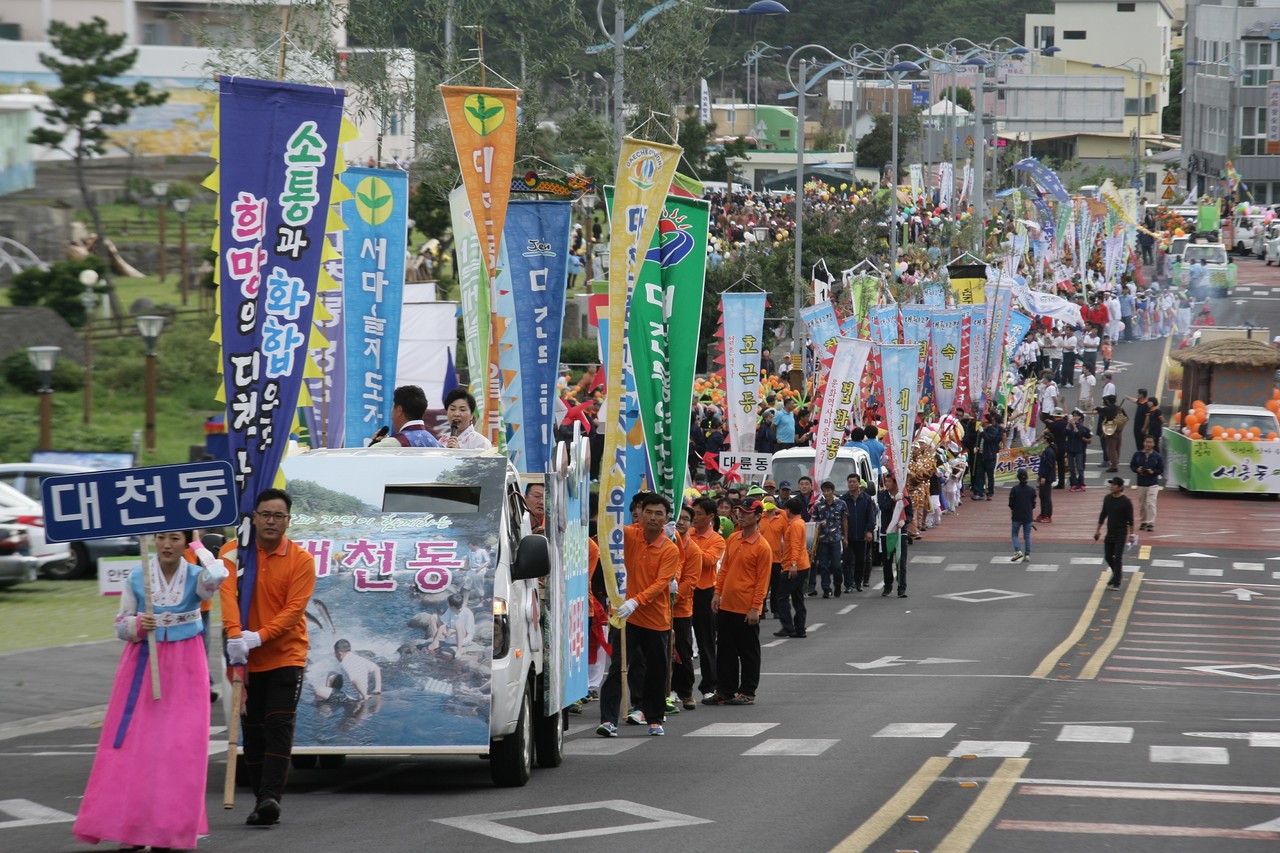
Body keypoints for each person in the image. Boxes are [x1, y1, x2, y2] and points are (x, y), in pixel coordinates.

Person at [74, 531, 227, 852]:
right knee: (136, 746)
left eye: (175, 538)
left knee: (178, 749)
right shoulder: (137, 577)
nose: (167, 544)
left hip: (186, 665)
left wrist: (199, 545)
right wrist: (139, 625)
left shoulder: (198, 576)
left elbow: (219, 574)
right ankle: (130, 829)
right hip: (143, 665)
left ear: (185, 543)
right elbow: (120, 624)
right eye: (161, 537)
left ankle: (167, 830)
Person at [220, 489, 317, 827]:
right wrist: (235, 635)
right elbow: (227, 596)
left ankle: (269, 799)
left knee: (278, 724)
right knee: (253, 729)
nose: (271, 521)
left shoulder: (301, 560)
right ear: (255, 517)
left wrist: (260, 635)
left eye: (279, 515)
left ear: (288, 521)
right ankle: (262, 794)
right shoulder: (234, 553)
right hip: (245, 657)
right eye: (265, 514)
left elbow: (294, 610)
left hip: (286, 654)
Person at [597, 493, 679, 737]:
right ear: (640, 514)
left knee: (656, 671)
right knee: (617, 669)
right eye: (649, 512)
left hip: (655, 620)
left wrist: (636, 601)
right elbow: (605, 532)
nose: (653, 517)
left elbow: (661, 583)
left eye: (659, 514)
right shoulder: (629, 535)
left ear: (665, 519)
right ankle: (608, 720)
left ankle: (654, 718)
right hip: (626, 618)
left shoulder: (670, 549)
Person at [705, 498, 772, 706]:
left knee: (748, 652)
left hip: (746, 608)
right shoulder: (733, 539)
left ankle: (747, 691)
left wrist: (755, 608)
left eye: (746, 512)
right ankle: (725, 690)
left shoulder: (762, 547)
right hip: (727, 604)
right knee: (725, 651)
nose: (741, 515)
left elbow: (763, 581)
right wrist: (717, 593)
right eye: (739, 512)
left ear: (758, 516)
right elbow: (724, 569)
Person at [689, 498, 726, 699]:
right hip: (685, 592)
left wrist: (687, 544)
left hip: (704, 593)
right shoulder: (687, 534)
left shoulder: (717, 540)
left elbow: (708, 560)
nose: (695, 518)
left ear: (711, 517)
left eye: (699, 513)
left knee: (706, 642)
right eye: (693, 513)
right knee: (682, 643)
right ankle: (678, 687)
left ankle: (709, 685)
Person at [670, 505, 703, 711]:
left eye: (686, 519)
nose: (681, 522)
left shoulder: (694, 551)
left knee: (683, 652)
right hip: (657, 609)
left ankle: (686, 692)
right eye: (678, 518)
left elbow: (690, 582)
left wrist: (671, 597)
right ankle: (666, 691)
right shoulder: (666, 543)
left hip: (681, 610)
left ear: (691, 524)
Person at [773, 497, 811, 639]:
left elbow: (795, 546)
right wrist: (779, 510)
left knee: (781, 597)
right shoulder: (799, 521)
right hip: (802, 565)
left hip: (794, 566)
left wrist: (793, 565)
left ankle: (789, 627)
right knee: (797, 597)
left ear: (789, 510)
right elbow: (785, 513)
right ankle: (799, 628)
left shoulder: (795, 525)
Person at [1095, 477, 1135, 589]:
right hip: (1110, 532)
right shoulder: (1107, 498)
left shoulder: (1126, 502)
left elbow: (1130, 520)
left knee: (1117, 557)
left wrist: (1131, 535)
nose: (1111, 487)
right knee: (1108, 556)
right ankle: (1117, 574)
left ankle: (1117, 581)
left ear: (1120, 487)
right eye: (1111, 484)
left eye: (1114, 485)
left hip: (1121, 533)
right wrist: (1098, 530)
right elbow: (1103, 515)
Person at [877, 472, 913, 598]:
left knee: (900, 561)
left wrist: (905, 521)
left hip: (900, 533)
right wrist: (894, 500)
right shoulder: (882, 495)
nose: (886, 484)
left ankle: (902, 588)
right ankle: (887, 586)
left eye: (889, 482)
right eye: (885, 481)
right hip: (887, 533)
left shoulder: (904, 495)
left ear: (895, 483)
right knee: (887, 561)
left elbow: (910, 513)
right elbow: (883, 507)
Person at [841, 473, 877, 592]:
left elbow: (870, 516)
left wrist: (869, 531)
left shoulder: (866, 498)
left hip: (862, 535)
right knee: (847, 560)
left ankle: (858, 582)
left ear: (858, 483)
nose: (851, 484)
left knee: (861, 560)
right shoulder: (843, 499)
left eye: (854, 482)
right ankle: (848, 584)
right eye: (849, 482)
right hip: (848, 535)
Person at [811, 481, 848, 598]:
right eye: (824, 491)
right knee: (823, 566)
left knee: (837, 565)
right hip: (822, 540)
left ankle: (837, 585)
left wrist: (845, 537)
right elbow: (813, 522)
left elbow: (844, 520)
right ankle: (826, 588)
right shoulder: (818, 506)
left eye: (828, 491)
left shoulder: (841, 504)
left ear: (833, 491)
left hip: (836, 538)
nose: (826, 493)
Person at [372, 385, 441, 447]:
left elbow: (366, 459)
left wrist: (376, 443)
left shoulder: (393, 443)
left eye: (393, 408)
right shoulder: (437, 444)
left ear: (399, 410)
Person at [1130, 435, 1164, 531]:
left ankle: (1150, 523)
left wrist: (1153, 472)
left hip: (1153, 482)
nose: (1148, 444)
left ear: (1153, 444)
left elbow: (1161, 469)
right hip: (1141, 482)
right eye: (1146, 442)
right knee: (1142, 504)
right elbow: (1132, 465)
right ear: (1143, 443)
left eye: (1150, 442)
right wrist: (1137, 470)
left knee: (1151, 503)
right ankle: (1143, 521)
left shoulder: (1157, 456)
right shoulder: (1137, 454)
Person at [1008, 469, 1036, 562]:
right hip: (1028, 515)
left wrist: (1013, 509)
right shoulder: (1031, 490)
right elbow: (1033, 504)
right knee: (1027, 535)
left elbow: (1011, 503)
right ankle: (1027, 554)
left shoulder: (1015, 489)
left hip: (1017, 515)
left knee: (1014, 534)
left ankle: (1018, 550)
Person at [974, 413, 1003, 499]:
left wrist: (982, 432)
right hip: (981, 455)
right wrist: (976, 447)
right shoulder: (981, 431)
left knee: (990, 476)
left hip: (990, 457)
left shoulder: (992, 430)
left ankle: (990, 493)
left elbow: (989, 439)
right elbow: (979, 441)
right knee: (979, 475)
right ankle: (979, 492)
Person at [1066, 410, 1093, 491]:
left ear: (1080, 417)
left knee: (1080, 467)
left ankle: (1081, 483)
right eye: (1073, 415)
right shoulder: (1069, 426)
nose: (1074, 417)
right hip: (1070, 449)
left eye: (1076, 415)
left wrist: (1074, 426)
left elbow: (1080, 435)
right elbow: (1065, 433)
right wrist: (1068, 424)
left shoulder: (1082, 427)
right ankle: (1074, 483)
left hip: (1079, 449)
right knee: (1071, 468)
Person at [1037, 437, 1056, 523]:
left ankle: (1048, 515)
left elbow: (1049, 465)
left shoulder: (1049, 451)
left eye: (1044, 438)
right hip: (1043, 476)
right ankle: (1043, 513)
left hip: (1047, 478)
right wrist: (1040, 476)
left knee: (1046, 496)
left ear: (1046, 440)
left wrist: (1044, 476)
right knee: (1042, 495)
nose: (1042, 440)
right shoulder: (1046, 450)